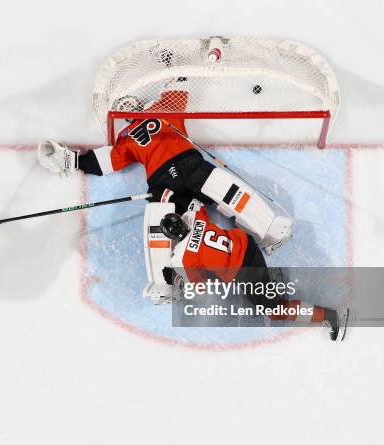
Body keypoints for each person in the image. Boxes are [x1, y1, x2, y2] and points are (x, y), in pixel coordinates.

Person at [37, 71, 291, 254]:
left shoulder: (127, 140)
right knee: (230, 194)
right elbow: (180, 83)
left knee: (171, 224)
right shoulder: (163, 110)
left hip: (162, 181)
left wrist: (69, 161)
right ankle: (269, 228)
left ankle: (167, 279)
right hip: (188, 165)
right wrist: (172, 65)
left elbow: (102, 162)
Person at [159, 195, 348, 341]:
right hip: (247, 246)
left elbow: (201, 287)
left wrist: (179, 276)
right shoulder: (195, 217)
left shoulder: (184, 257)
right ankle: (269, 283)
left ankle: (332, 316)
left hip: (245, 273)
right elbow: (196, 203)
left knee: (276, 312)